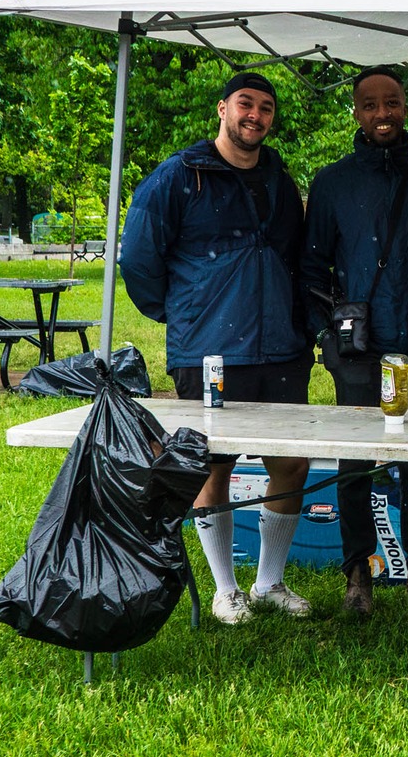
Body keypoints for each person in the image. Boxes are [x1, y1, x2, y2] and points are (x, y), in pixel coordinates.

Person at [120, 70, 313, 626]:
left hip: (279, 346)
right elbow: (138, 260)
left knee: (292, 463)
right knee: (212, 468)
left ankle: (271, 582)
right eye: (245, 104)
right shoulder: (180, 176)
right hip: (207, 351)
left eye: (267, 108)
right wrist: (181, 313)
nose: (255, 115)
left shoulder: (278, 176)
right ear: (222, 108)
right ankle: (226, 590)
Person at [301, 68, 408, 615]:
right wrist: (328, 337)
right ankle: (357, 573)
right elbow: (311, 268)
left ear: (405, 107)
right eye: (370, 105)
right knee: (355, 462)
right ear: (357, 112)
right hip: (359, 351)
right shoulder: (333, 182)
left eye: (391, 102)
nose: (382, 113)